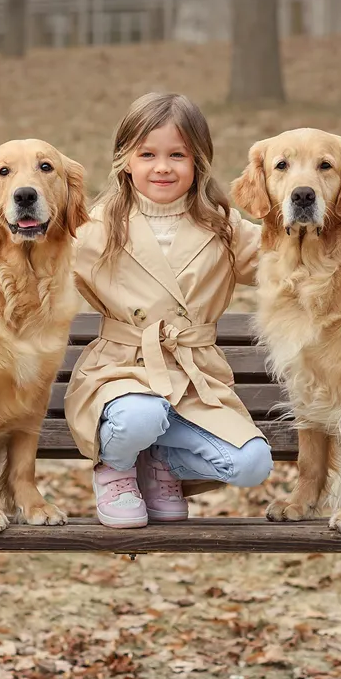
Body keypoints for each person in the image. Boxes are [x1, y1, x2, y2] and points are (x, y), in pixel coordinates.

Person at [65, 92, 275, 528]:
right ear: (125, 159)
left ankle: (160, 461)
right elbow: (41, 274)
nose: (162, 167)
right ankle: (116, 468)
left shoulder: (223, 224)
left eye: (177, 155)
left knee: (252, 464)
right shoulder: (94, 227)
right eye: (147, 154)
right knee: (141, 415)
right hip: (120, 370)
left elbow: (284, 261)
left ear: (198, 161)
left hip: (194, 376)